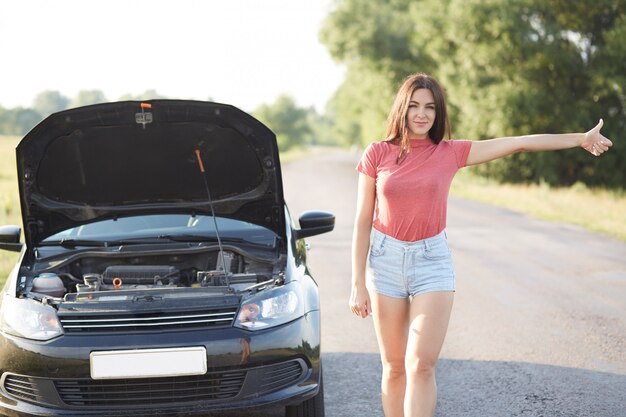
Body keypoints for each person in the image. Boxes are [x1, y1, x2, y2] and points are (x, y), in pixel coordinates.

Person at [349, 73, 612, 417]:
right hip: (385, 263)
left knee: (420, 365)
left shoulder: (450, 152)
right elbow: (361, 221)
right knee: (395, 366)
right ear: (402, 108)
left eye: (429, 107)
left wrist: (580, 138)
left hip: (432, 261)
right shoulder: (377, 154)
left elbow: (518, 142)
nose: (421, 114)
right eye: (414, 106)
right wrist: (357, 283)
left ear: (438, 112)